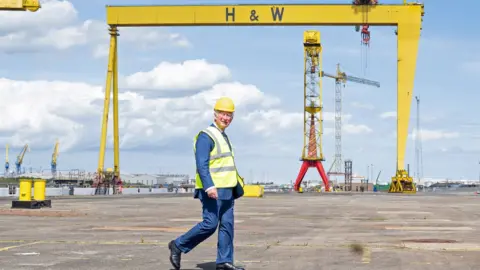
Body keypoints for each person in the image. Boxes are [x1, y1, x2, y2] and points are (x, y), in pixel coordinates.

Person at [168, 97, 245, 270]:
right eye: (223, 114)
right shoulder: (206, 136)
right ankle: (178, 245)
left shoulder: (224, 136)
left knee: (227, 226)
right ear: (215, 114)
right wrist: (209, 186)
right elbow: (201, 164)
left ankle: (224, 262)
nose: (226, 118)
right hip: (213, 190)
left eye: (229, 115)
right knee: (210, 224)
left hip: (228, 190)